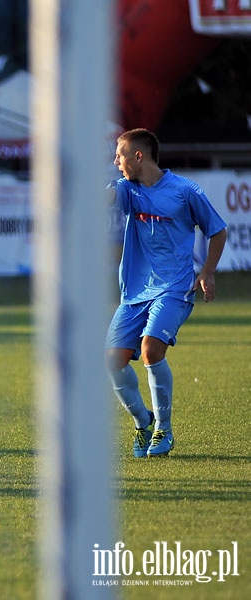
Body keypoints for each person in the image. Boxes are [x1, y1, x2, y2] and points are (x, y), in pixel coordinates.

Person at [106, 128, 227, 458]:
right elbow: (104, 196)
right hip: (134, 292)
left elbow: (217, 230)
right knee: (112, 361)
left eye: (120, 154)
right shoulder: (128, 190)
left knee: (151, 349)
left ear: (138, 156)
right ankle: (143, 423)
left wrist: (208, 272)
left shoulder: (185, 191)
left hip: (175, 288)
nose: (116, 161)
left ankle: (164, 429)